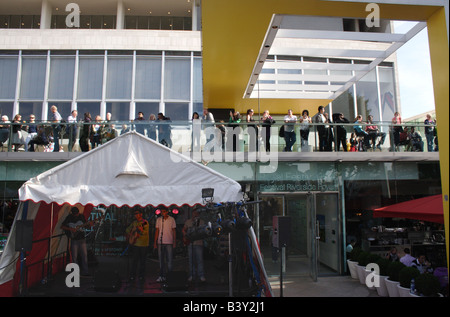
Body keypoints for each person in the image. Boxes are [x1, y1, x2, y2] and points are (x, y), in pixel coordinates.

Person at [61, 207, 90, 277]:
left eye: (76, 214)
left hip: (82, 238)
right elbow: (62, 226)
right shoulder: (69, 217)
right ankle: (75, 272)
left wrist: (89, 225)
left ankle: (85, 271)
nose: (76, 215)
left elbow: (86, 226)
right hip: (74, 239)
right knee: (74, 257)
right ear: (72, 213)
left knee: (84, 256)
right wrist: (70, 229)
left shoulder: (82, 216)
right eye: (75, 214)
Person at [125, 210, 149, 283]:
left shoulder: (145, 222)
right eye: (135, 214)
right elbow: (127, 229)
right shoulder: (134, 223)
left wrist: (141, 231)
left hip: (143, 244)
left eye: (137, 213)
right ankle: (132, 276)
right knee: (134, 261)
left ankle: (141, 276)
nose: (136, 215)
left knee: (142, 261)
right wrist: (130, 233)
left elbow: (146, 232)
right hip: (135, 244)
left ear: (141, 214)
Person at [182, 209, 206, 283]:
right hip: (190, 243)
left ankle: (201, 275)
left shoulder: (202, 222)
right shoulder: (188, 222)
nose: (195, 214)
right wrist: (186, 236)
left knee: (199, 260)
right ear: (192, 213)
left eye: (197, 213)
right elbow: (183, 230)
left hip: (199, 243)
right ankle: (192, 275)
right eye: (194, 213)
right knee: (191, 260)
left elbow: (205, 232)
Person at [154, 208, 177, 282]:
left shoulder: (172, 219)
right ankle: (161, 275)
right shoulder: (159, 219)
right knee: (161, 260)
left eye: (164, 211)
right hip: (160, 242)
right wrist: (155, 242)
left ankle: (170, 276)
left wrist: (174, 241)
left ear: (167, 212)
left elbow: (174, 231)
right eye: (161, 211)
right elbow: (157, 231)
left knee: (169, 260)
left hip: (169, 242)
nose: (162, 213)